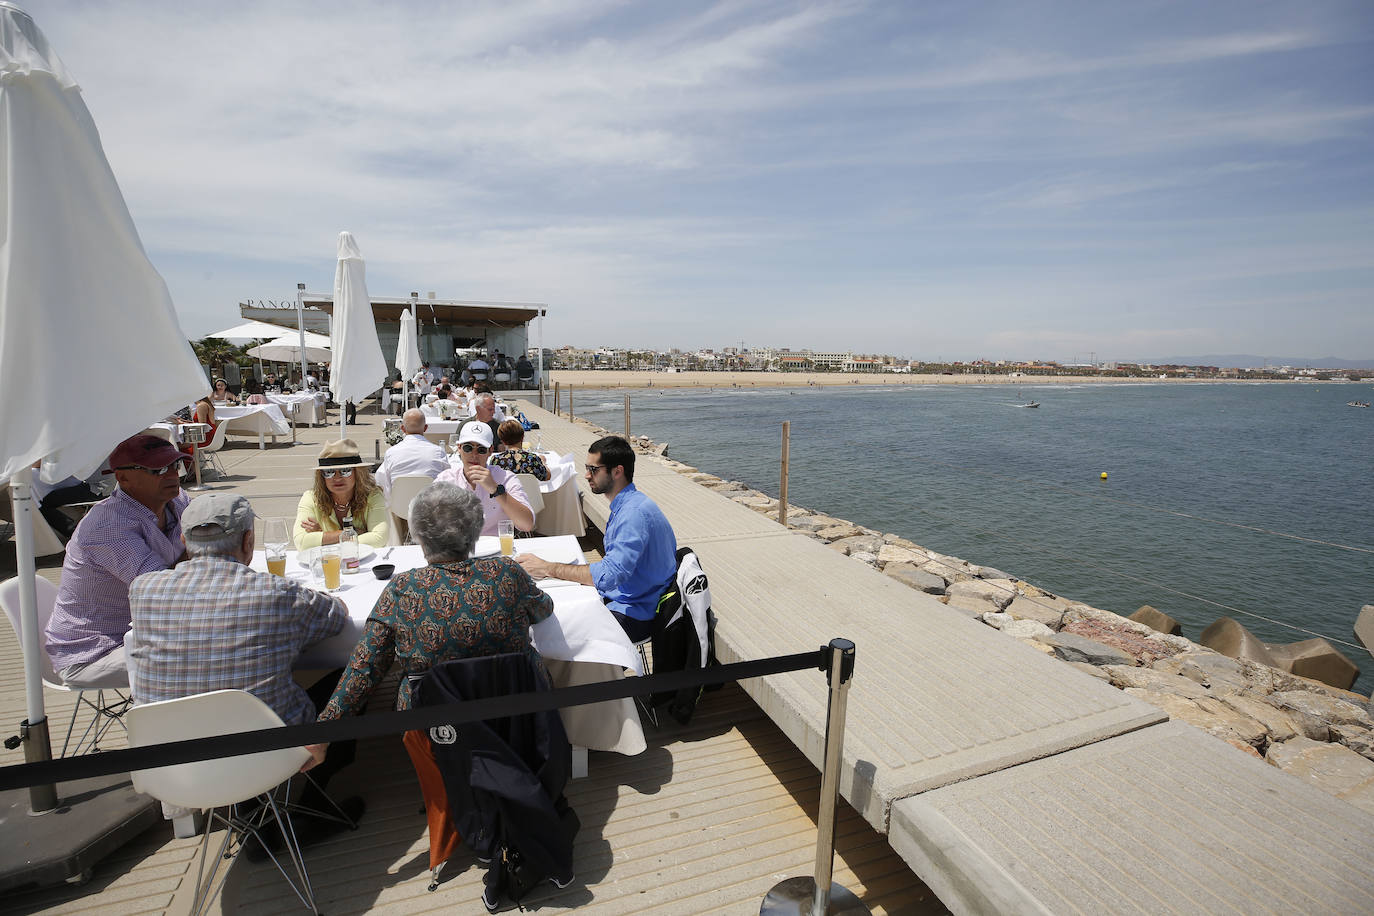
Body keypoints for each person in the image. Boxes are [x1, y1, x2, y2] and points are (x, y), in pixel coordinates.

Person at [307, 483, 554, 869]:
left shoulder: (404, 589)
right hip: (513, 713)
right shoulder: (506, 573)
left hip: (439, 729)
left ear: (418, 536)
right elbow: (543, 609)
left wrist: (323, 733)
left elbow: (365, 667)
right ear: (475, 531)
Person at [127, 493, 361, 831]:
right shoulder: (276, 593)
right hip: (269, 757)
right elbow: (337, 616)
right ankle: (311, 809)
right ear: (248, 540)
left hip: (172, 764)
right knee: (348, 677)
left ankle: (251, 808)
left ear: (184, 540)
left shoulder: (144, 590)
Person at [45, 435, 190, 687]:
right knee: (212, 653)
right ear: (122, 478)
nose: (171, 475)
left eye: (174, 466)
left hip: (152, 632)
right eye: (158, 469)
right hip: (95, 650)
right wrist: (204, 549)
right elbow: (161, 591)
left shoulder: (176, 501)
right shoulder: (107, 525)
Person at [517, 435, 676, 641]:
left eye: (593, 469)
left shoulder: (632, 515)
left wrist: (549, 568)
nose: (586, 475)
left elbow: (609, 576)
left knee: (552, 635)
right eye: (587, 468)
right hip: (631, 597)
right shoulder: (629, 505)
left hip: (638, 613)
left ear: (617, 471)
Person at [434, 422, 533, 535]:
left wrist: (496, 490)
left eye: (481, 450)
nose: (474, 455)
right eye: (468, 448)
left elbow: (527, 524)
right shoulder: (445, 480)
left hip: (497, 548)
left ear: (490, 451)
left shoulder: (506, 478)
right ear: (459, 448)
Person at [293, 439, 389, 549]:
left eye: (345, 470)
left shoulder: (373, 496)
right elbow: (301, 542)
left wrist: (323, 536)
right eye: (329, 472)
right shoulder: (310, 498)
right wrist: (353, 533)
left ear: (357, 473)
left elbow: (380, 538)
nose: (337, 478)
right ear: (321, 477)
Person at [374, 409, 450, 500]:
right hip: (430, 509)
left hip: (399, 510)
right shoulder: (438, 452)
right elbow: (447, 482)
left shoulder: (391, 453)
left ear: (402, 429)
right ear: (425, 428)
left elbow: (382, 483)